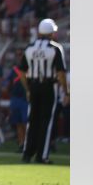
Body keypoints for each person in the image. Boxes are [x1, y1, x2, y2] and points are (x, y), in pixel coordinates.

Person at [18, 18, 69, 163]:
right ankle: (42, 156)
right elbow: (60, 73)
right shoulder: (54, 48)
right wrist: (66, 91)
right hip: (48, 86)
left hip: (33, 86)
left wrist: (27, 88)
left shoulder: (29, 47)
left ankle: (27, 154)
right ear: (52, 32)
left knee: (32, 120)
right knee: (46, 121)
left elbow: (21, 72)